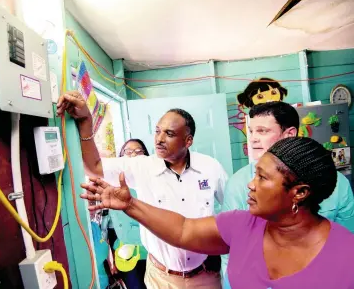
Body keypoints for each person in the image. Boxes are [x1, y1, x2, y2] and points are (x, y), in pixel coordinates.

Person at [81, 137, 354, 289]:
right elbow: (183, 230)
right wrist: (130, 205)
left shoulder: (345, 255)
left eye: (262, 177)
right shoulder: (244, 225)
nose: (250, 183)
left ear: (300, 192)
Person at [56, 91, 228, 289]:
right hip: (160, 278)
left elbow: (235, 210)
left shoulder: (211, 168)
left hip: (205, 276)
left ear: (188, 141)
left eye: (169, 134)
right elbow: (94, 166)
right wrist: (86, 120)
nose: (159, 139)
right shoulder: (141, 166)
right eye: (157, 131)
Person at [220, 101, 354, 277]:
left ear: (289, 134)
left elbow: (346, 244)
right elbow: (231, 253)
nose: (252, 138)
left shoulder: (338, 184)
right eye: (251, 131)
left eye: (262, 131)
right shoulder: (238, 184)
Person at [104, 139, 150, 289]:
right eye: (128, 152)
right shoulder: (112, 186)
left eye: (138, 151)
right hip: (125, 255)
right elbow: (110, 227)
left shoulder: (152, 185)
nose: (133, 155)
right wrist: (111, 258)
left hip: (152, 252)